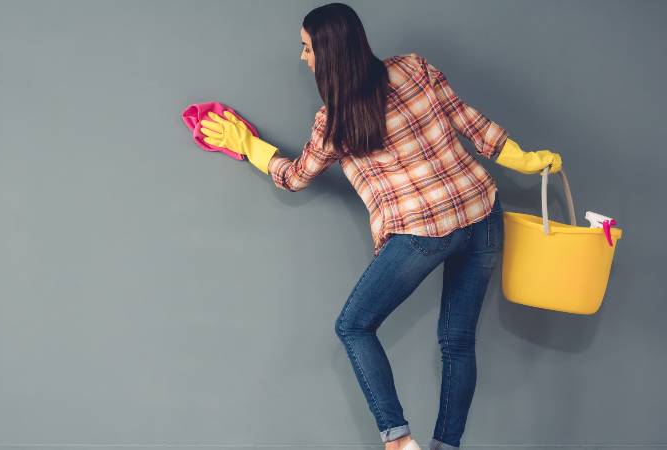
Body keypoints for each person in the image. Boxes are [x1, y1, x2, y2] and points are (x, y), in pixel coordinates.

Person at [199, 3, 562, 450]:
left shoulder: (332, 121)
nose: (303, 57)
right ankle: (444, 447)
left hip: (424, 234)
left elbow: (293, 177)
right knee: (458, 342)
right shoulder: (414, 68)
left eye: (307, 47)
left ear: (330, 54)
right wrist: (525, 160)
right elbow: (472, 123)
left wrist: (246, 144)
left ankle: (398, 441)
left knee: (353, 326)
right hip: (482, 212)